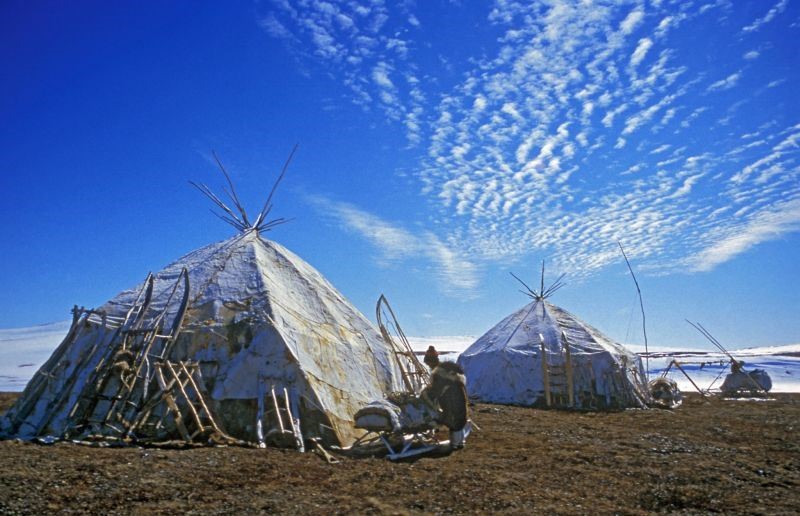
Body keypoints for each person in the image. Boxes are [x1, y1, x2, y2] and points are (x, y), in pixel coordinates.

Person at [421, 361, 469, 450]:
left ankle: (455, 443)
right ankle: (460, 442)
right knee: (459, 422)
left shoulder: (445, 381)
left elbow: (435, 392)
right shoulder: (458, 382)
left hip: (451, 407)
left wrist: (425, 393)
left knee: (454, 423)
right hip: (459, 406)